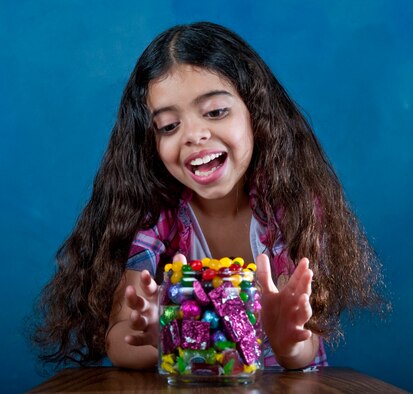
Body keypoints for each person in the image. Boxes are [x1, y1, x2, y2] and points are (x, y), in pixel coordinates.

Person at [32, 22, 385, 371]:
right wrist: (162, 335)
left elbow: (303, 350)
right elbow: (119, 338)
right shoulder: (155, 220)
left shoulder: (291, 209)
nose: (194, 135)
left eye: (216, 112)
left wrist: (285, 339)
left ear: (256, 114)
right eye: (169, 126)